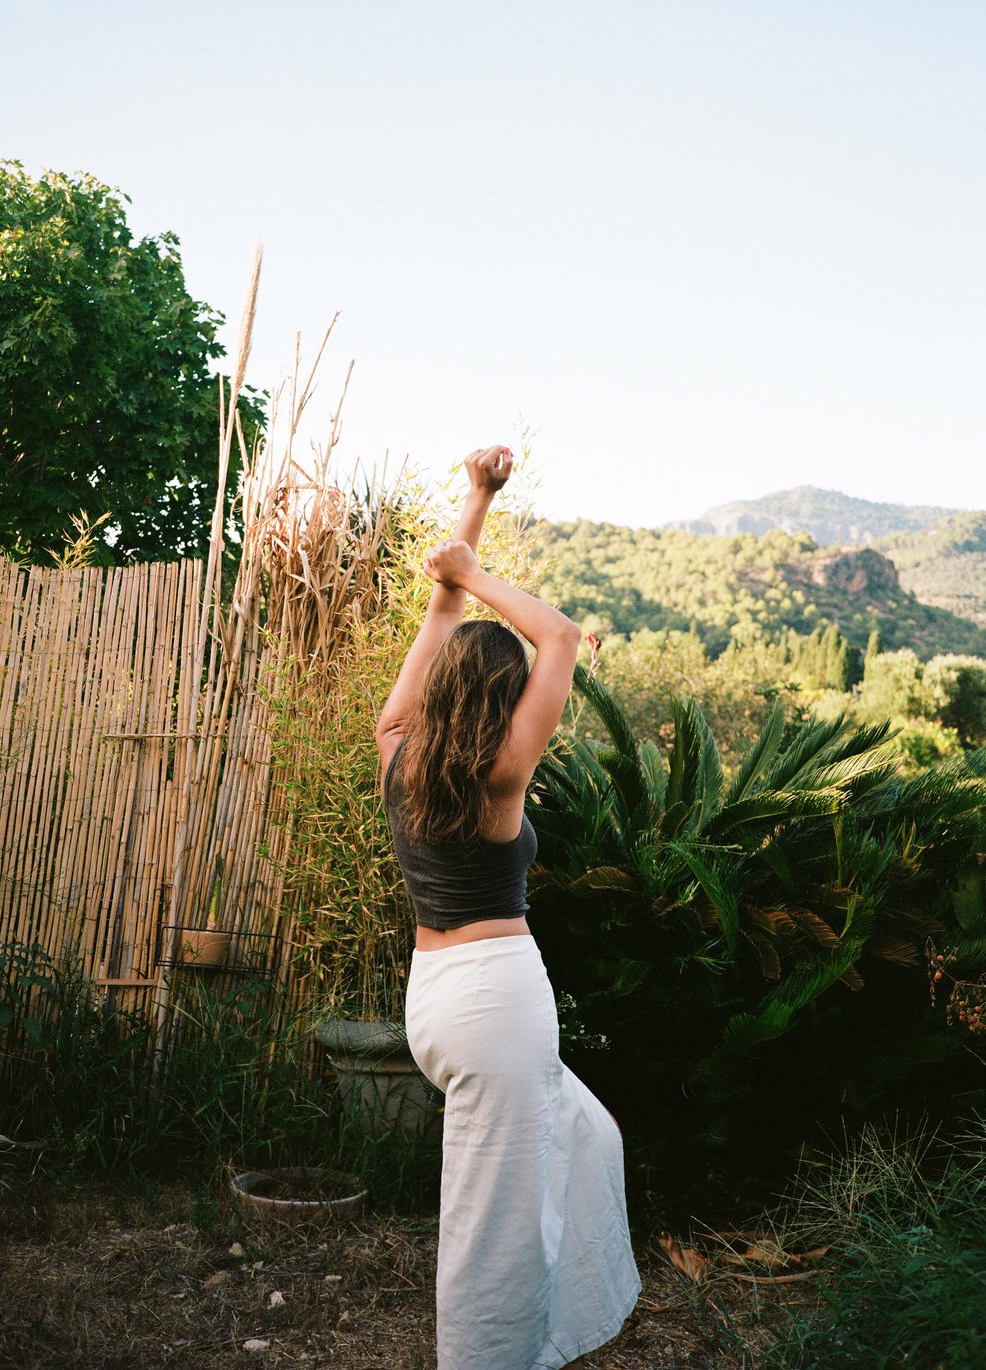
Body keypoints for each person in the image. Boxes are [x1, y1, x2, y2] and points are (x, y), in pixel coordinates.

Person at [376, 446, 641, 1370]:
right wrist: (477, 570)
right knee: (492, 1227)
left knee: (584, 1138)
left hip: (435, 1003)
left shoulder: (397, 751)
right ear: (501, 701)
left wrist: (476, 502)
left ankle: (550, 1330)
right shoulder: (501, 776)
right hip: (495, 1001)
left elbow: (441, 613)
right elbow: (560, 639)